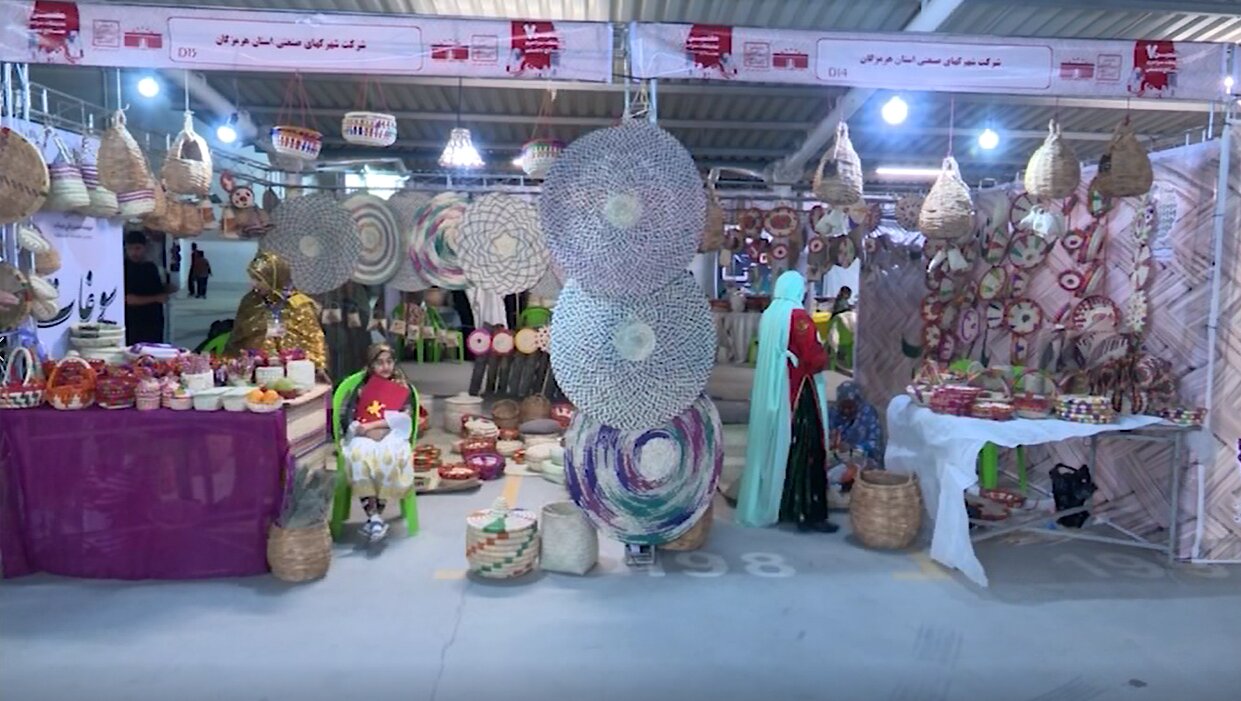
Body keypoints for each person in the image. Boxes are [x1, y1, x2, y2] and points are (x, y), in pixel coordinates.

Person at [736, 270, 837, 533]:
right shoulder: (798, 316)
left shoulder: (770, 314)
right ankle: (807, 512)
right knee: (807, 446)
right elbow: (813, 358)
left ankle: (782, 503)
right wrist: (824, 353)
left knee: (780, 445)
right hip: (799, 390)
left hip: (777, 387)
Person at [336, 343, 417, 541]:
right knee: (359, 456)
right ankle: (374, 517)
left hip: (393, 434)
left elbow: (405, 417)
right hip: (363, 435)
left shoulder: (402, 387)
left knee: (389, 456)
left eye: (389, 361)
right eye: (379, 363)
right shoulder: (362, 388)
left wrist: (376, 426)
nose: (385, 367)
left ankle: (375, 517)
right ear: (371, 365)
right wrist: (361, 429)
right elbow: (348, 417)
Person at [224, 251, 328, 374]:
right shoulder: (250, 301)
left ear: (273, 279)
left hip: (294, 372)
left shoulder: (298, 305)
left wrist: (316, 367)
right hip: (254, 370)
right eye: (252, 278)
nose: (253, 284)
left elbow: (314, 341)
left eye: (259, 279)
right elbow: (237, 339)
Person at [123, 230, 169, 345]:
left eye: (137, 248)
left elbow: (159, 292)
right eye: (130, 248)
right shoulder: (124, 268)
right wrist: (155, 298)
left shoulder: (150, 267)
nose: (134, 252)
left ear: (144, 248)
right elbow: (129, 299)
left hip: (153, 323)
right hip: (134, 325)